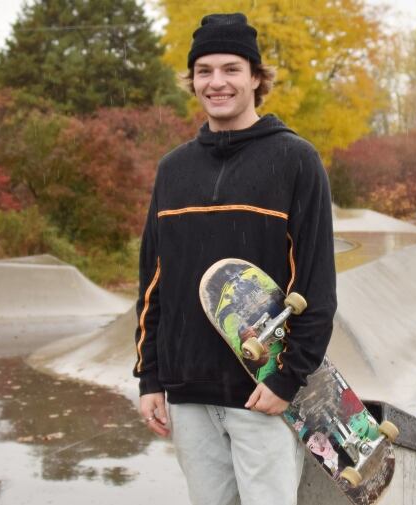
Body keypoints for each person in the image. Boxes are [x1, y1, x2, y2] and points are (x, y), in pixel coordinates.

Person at [132, 12, 337, 505]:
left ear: (255, 78)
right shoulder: (173, 170)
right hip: (188, 393)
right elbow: (152, 283)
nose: (216, 82)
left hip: (261, 391)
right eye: (204, 71)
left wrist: (287, 380)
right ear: (192, 80)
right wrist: (150, 377)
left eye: (230, 69)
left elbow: (317, 285)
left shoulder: (295, 160)